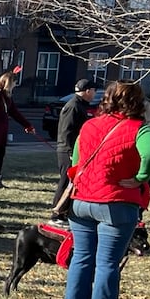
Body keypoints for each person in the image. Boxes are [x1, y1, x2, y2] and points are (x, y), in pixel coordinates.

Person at [63, 81, 150, 299]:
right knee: (107, 263)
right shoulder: (141, 129)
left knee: (82, 259)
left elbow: (76, 161)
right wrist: (140, 177)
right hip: (116, 203)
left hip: (82, 201)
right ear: (138, 103)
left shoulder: (89, 125)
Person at [50, 78, 97, 216]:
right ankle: (56, 213)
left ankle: (65, 211)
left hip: (72, 149)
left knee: (72, 182)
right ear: (87, 91)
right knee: (66, 182)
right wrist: (70, 150)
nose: (94, 94)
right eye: (93, 91)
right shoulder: (74, 106)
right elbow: (67, 131)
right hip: (68, 150)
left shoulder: (80, 105)